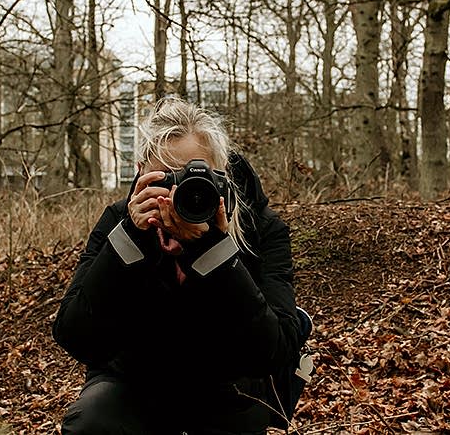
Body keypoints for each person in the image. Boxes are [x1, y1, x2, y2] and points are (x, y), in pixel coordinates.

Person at [53, 98, 310, 435]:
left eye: (195, 178)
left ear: (222, 177)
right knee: (92, 423)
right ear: (143, 173)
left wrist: (213, 250)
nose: (179, 194)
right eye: (168, 179)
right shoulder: (120, 222)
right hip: (133, 383)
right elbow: (76, 336)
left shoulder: (260, 229)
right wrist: (130, 239)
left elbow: (271, 351)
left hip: (229, 387)